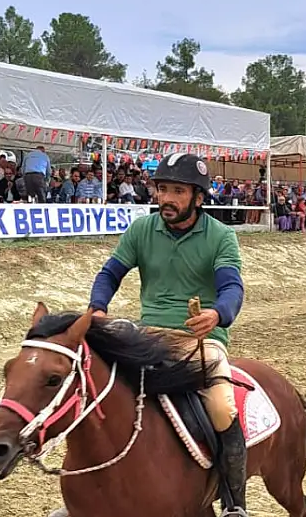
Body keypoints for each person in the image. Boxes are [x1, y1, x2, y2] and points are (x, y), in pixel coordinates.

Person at [76, 152, 248, 517]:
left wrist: (218, 313)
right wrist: (98, 307)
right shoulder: (141, 229)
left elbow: (232, 288)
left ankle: (235, 504)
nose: (166, 198)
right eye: (162, 189)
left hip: (201, 340)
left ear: (199, 198)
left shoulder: (221, 237)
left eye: (178, 191)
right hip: (146, 333)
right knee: (99, 390)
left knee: (221, 408)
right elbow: (110, 274)